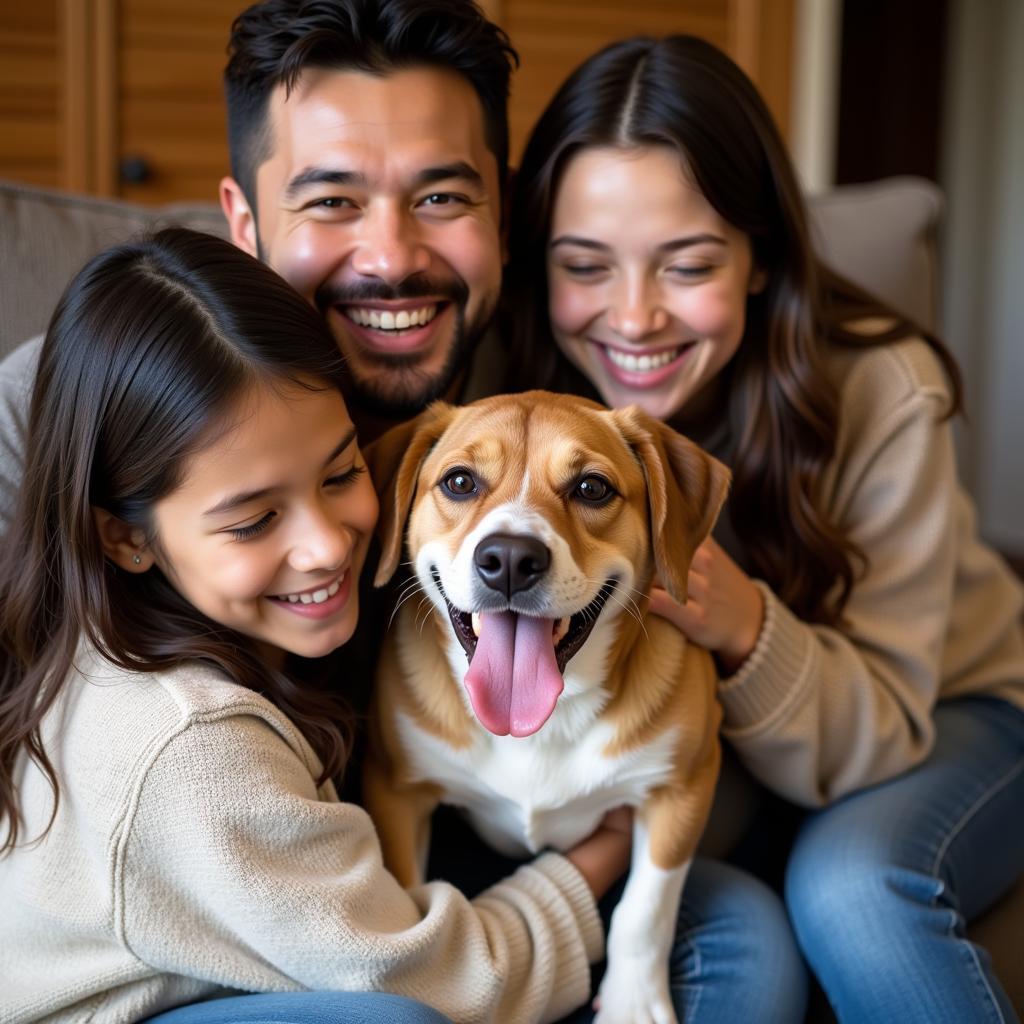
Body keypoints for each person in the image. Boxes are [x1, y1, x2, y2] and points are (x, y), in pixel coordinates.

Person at [503, 33, 1024, 1024]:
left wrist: (742, 623)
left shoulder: (883, 391)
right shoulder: (519, 391)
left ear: (758, 259)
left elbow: (885, 725)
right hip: (706, 745)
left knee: (853, 892)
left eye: (687, 264)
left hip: (939, 705)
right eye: (585, 266)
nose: (633, 316)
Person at [0, 228, 633, 1024]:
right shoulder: (193, 749)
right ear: (126, 536)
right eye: (254, 519)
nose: (329, 545)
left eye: (342, 474)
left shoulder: (200, 638)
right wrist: (603, 854)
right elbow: (432, 982)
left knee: (727, 911)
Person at [0, 0, 518, 532]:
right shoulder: (56, 408)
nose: (391, 259)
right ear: (244, 226)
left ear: (503, 220)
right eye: (332, 202)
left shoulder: (565, 375)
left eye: (441, 199)